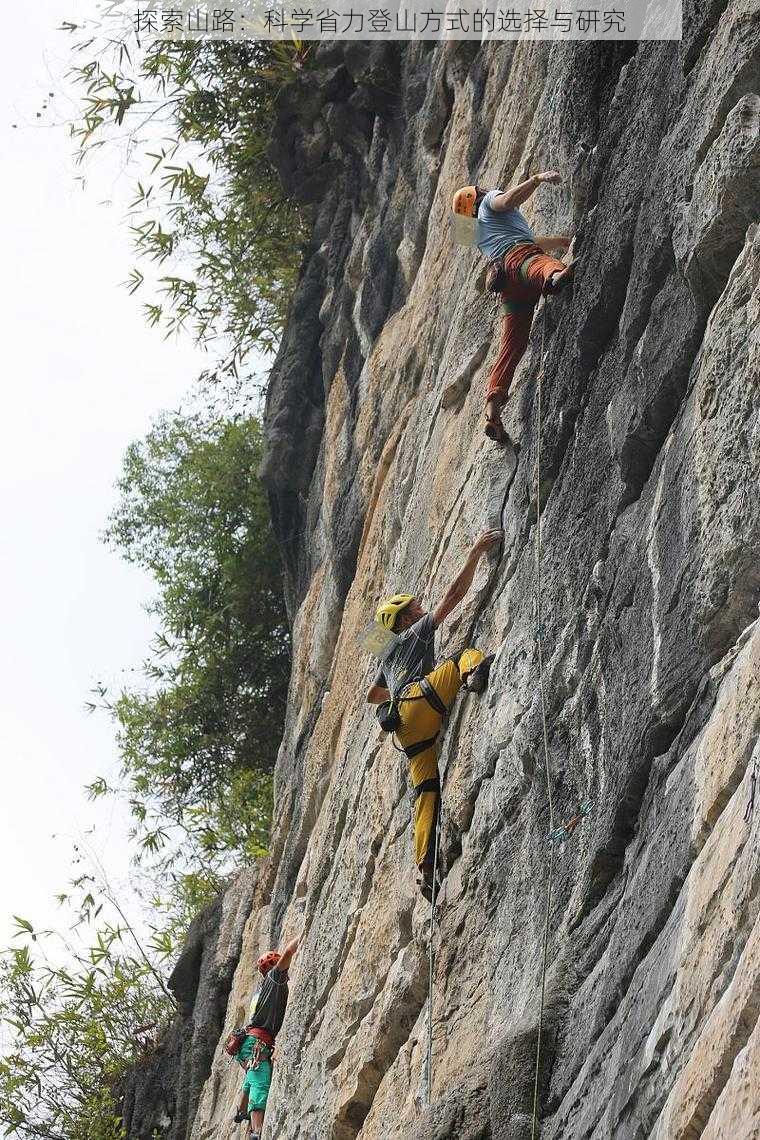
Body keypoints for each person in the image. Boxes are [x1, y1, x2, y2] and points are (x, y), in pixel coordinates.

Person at [366, 530, 502, 899]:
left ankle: (425, 867)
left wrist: (391, 694)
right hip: (422, 698)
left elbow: (372, 695)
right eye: (414, 607)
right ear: (406, 619)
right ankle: (474, 676)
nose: (421, 608)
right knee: (462, 657)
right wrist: (474, 553)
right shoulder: (416, 633)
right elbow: (453, 597)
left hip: (406, 731)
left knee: (427, 790)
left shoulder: (388, 655)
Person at [452, 173, 575, 445]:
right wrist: (537, 179)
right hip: (520, 259)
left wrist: (560, 241)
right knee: (539, 265)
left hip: (507, 282)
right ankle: (555, 278)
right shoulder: (487, 204)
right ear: (476, 198)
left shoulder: (481, 234)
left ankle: (492, 410)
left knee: (512, 345)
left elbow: (525, 241)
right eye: (481, 190)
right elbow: (508, 200)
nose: (486, 189)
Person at [231, 937, 299, 1138]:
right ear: (272, 966)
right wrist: (301, 937)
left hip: (249, 1043)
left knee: (251, 1077)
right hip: (257, 1044)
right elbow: (287, 953)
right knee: (260, 1081)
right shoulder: (274, 980)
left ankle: (240, 1111)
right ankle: (257, 1132)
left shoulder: (260, 992)